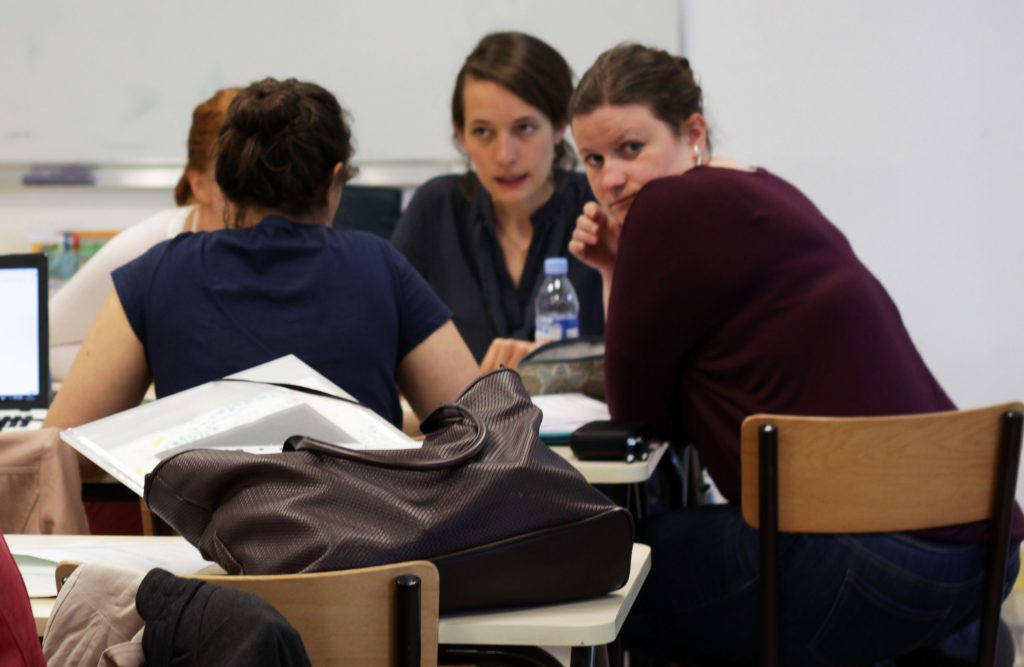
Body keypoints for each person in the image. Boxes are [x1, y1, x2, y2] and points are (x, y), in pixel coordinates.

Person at [568, 43, 1023, 666]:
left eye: (630, 148)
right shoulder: (766, 188)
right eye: (592, 159)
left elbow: (636, 416)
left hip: (865, 566)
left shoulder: (665, 209)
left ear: (691, 132)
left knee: (615, 565)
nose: (611, 177)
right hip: (985, 551)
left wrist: (611, 272)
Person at [45, 77, 478, 455]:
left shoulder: (157, 273)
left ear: (226, 187)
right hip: (373, 548)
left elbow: (62, 447)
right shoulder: (380, 267)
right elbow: (481, 429)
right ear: (334, 181)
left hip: (204, 549)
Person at [391, 32, 603, 372]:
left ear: (561, 125)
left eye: (524, 128)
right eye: (483, 132)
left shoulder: (600, 209)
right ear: (460, 134)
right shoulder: (437, 208)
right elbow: (384, 337)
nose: (505, 156)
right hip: (462, 422)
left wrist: (547, 367)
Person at [48, 88, 239, 380]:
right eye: (233, 178)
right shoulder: (149, 248)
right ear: (198, 184)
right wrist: (146, 368)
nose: (255, 190)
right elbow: (45, 343)